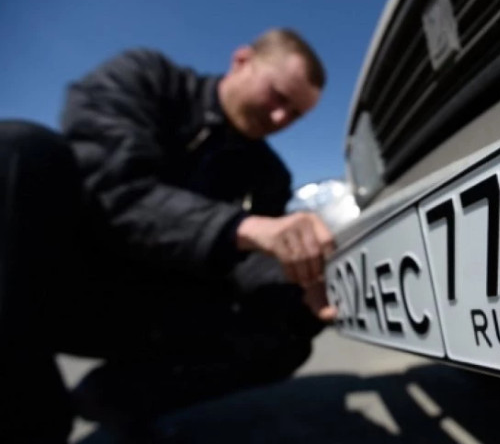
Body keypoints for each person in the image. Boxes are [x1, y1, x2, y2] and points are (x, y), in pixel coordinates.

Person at [0, 28, 338, 443]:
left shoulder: (269, 176)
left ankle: (116, 400)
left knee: (290, 328)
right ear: (242, 61)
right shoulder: (146, 80)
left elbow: (249, 267)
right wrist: (241, 227)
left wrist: (301, 285)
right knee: (18, 148)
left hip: (160, 310)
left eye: (296, 115)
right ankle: (30, 413)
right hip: (60, 284)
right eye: (278, 97)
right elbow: (113, 187)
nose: (281, 119)